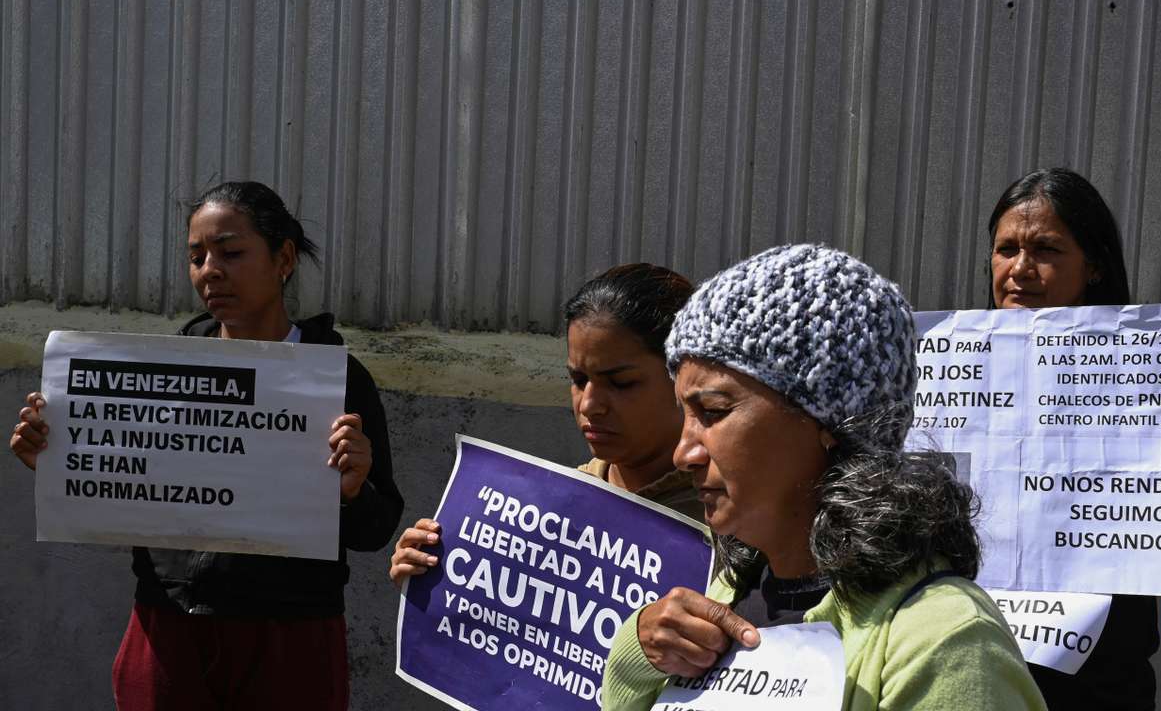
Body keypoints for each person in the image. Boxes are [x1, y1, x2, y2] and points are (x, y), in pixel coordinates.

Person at [9, 181, 403, 710]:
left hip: (290, 640)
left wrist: (355, 489)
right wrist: (59, 460)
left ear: (283, 258)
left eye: (231, 253)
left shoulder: (338, 381)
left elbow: (376, 529)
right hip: (166, 630)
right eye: (196, 257)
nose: (209, 271)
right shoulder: (162, 369)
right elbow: (129, 486)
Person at [601, 244, 1047, 710]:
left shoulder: (941, 642)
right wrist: (640, 654)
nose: (683, 454)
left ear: (830, 426)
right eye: (684, 416)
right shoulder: (726, 595)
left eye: (713, 412)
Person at [986, 167, 1161, 710]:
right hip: (977, 655)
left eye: (1046, 249)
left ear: (1093, 266)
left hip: (1099, 675)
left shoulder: (1154, 368)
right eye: (1005, 249)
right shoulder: (944, 366)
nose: (1020, 269)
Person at [389, 263, 699, 583]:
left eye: (620, 382)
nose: (589, 405)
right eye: (578, 380)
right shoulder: (546, 513)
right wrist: (428, 584)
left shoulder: (727, 527)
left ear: (684, 378)